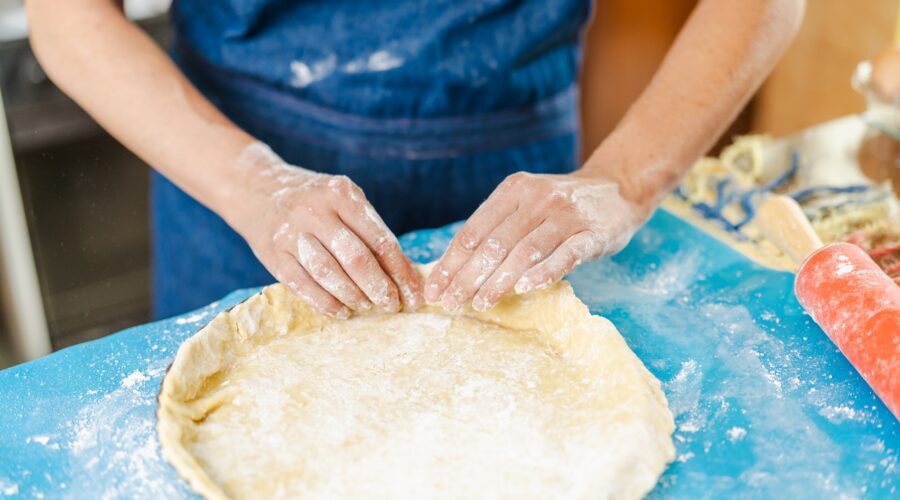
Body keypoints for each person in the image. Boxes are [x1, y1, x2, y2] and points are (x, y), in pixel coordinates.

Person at [26, 0, 804, 319]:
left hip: (509, 177)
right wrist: (250, 185)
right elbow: (67, 18)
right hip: (228, 182)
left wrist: (625, 180)